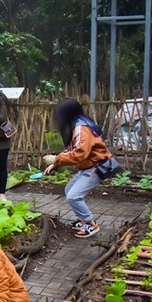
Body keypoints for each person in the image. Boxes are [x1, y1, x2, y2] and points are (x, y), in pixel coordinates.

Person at [43, 99, 112, 238]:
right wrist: (55, 164)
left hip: (97, 167)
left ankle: (90, 224)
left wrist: (56, 159)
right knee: (69, 190)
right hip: (89, 167)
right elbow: (71, 150)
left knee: (74, 196)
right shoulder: (76, 125)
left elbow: (80, 153)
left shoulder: (81, 128)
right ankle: (84, 220)